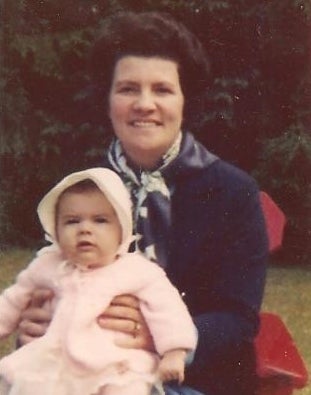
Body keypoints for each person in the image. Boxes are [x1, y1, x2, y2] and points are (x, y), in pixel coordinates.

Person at [17, 11, 268, 395]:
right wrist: (34, 325)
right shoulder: (82, 188)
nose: (145, 104)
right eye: (128, 89)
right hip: (77, 374)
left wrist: (161, 335)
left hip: (194, 380)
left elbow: (238, 319)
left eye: (162, 90)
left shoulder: (232, 192)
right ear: (108, 100)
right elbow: (53, 276)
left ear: (185, 101)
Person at [0, 168, 197, 395]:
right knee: (25, 383)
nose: (85, 229)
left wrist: (175, 351)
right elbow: (12, 301)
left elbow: (168, 309)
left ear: (121, 230)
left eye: (100, 220)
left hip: (116, 365)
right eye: (72, 221)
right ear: (55, 230)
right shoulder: (46, 266)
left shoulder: (138, 270)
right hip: (56, 363)